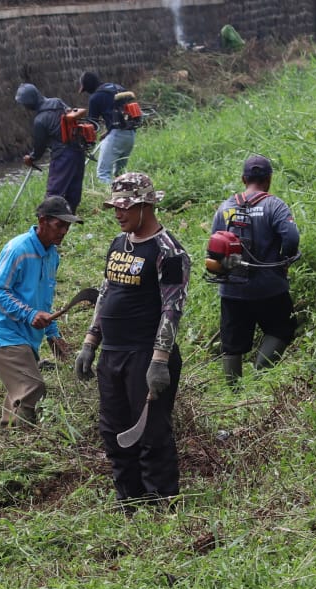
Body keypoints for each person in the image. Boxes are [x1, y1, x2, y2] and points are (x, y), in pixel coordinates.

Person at [75, 172, 191, 509]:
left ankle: (161, 503)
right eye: (115, 207)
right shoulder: (118, 244)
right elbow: (106, 292)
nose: (118, 213)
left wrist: (159, 361)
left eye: (125, 207)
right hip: (112, 354)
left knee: (151, 434)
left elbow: (173, 307)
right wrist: (89, 342)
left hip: (145, 355)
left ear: (146, 205)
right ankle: (129, 500)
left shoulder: (168, 251)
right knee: (113, 432)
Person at [0, 195, 82, 428]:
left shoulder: (52, 255)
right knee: (32, 387)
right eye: (59, 225)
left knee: (21, 391)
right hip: (3, 333)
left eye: (68, 226)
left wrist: (53, 335)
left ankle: (8, 440)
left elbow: (45, 302)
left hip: (25, 337)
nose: (64, 231)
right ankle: (19, 441)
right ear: (43, 221)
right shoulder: (18, 249)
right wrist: (30, 314)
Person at [209, 154, 301, 383]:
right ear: (269, 179)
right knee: (283, 327)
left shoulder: (225, 207)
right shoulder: (274, 205)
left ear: (243, 178)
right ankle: (262, 370)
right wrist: (284, 261)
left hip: (232, 290)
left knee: (232, 343)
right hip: (269, 287)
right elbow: (291, 238)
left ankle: (233, 394)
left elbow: (213, 247)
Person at [16, 83, 89, 211]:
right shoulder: (57, 102)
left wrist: (31, 158)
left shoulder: (40, 120)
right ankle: (69, 218)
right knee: (74, 189)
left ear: (30, 102)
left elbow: (40, 147)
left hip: (62, 156)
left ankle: (49, 221)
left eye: (25, 104)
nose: (25, 107)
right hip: (78, 150)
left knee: (54, 193)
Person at [80, 72, 139, 185]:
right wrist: (108, 132)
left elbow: (92, 124)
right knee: (120, 173)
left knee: (103, 173)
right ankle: (127, 195)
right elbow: (121, 115)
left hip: (117, 136)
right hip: (130, 134)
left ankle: (112, 198)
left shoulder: (95, 97)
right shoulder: (117, 87)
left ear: (88, 86)